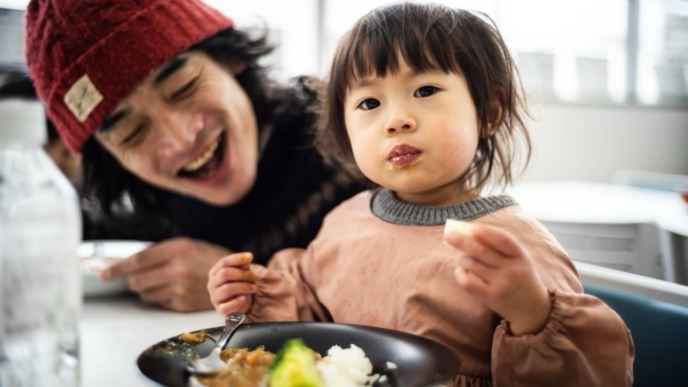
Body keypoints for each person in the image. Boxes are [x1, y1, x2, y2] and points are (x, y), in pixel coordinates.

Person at [207, 3, 635, 385]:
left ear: (488, 112)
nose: (396, 120)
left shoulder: (515, 247)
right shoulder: (346, 218)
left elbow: (591, 375)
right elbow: (316, 321)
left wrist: (532, 313)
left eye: (425, 91)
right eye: (369, 103)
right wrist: (254, 294)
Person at [24, 0, 364, 312]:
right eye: (132, 132)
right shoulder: (148, 217)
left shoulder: (354, 144)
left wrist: (248, 286)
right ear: (112, 159)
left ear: (231, 58)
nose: (180, 140)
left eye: (183, 88)